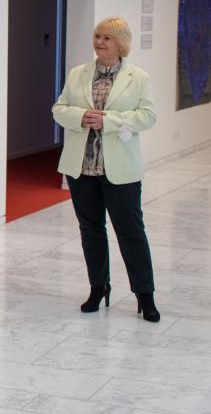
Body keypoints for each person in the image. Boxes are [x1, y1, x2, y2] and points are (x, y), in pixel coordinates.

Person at [52, 16, 160, 322]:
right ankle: (98, 288)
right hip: (81, 168)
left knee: (130, 232)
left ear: (120, 43)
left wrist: (108, 121)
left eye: (107, 38)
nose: (100, 42)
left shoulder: (137, 77)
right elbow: (58, 109)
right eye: (97, 35)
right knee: (91, 230)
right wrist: (80, 115)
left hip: (120, 169)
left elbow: (148, 116)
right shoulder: (78, 74)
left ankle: (145, 295)